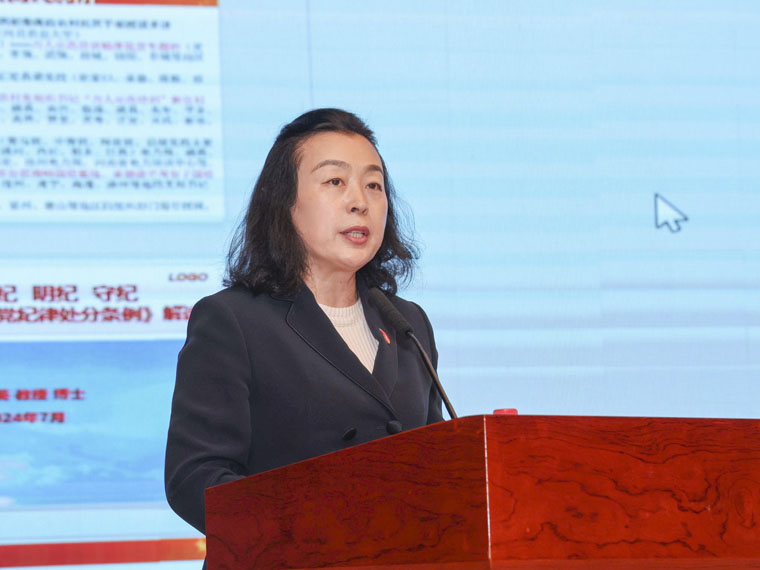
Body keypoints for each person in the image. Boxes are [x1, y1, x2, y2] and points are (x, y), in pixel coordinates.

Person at [164, 108, 444, 537]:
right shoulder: (234, 321)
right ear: (285, 203)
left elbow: (440, 465)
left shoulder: (408, 323)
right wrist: (310, 530)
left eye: (373, 185)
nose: (360, 201)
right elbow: (195, 477)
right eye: (335, 181)